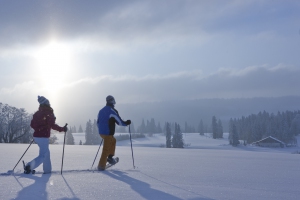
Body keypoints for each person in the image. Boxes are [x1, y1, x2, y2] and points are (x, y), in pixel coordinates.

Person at [24, 96, 67, 174]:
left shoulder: (37, 113)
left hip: (37, 136)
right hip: (43, 137)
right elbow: (52, 125)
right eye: (48, 102)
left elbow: (32, 125)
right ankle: (29, 166)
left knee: (46, 153)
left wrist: (39, 128)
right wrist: (62, 129)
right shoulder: (48, 113)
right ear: (45, 103)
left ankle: (47, 171)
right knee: (43, 155)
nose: (49, 103)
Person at [97, 95, 131, 170]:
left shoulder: (101, 110)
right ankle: (101, 166)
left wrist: (101, 130)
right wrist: (126, 123)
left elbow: (98, 122)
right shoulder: (112, 111)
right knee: (105, 150)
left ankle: (110, 157)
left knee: (113, 140)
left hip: (101, 133)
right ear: (112, 101)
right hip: (108, 133)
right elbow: (119, 122)